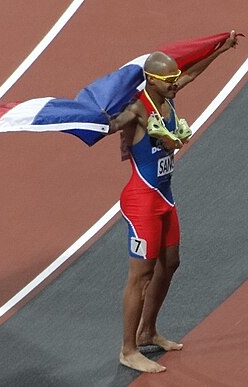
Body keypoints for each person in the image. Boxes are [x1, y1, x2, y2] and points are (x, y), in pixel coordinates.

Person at [109, 30, 239, 373]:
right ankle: (128, 348)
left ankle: (148, 330)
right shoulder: (137, 108)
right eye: (168, 80)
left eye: (174, 79)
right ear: (151, 80)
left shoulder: (166, 97)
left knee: (171, 262)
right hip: (141, 201)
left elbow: (191, 73)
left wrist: (220, 50)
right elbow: (113, 125)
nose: (175, 84)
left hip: (164, 197)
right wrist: (97, 120)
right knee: (141, 275)